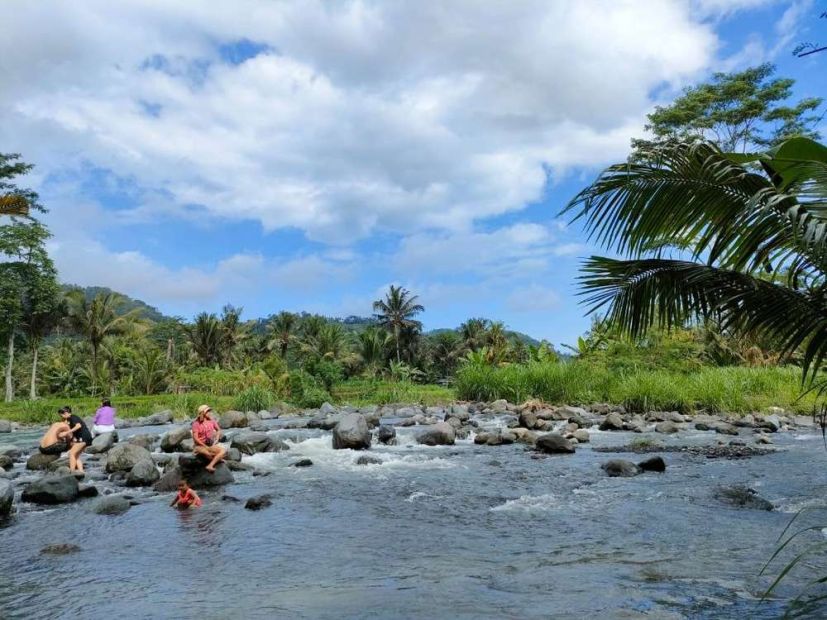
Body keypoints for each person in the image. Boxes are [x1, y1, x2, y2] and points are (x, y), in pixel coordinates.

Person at [191, 404, 226, 473]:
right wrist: (205, 446)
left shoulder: (211, 421)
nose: (209, 413)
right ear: (202, 413)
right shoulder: (196, 424)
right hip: (200, 446)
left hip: (210, 445)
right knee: (209, 455)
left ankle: (210, 465)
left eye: (209, 411)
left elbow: (218, 430)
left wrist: (217, 439)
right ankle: (215, 461)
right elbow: (196, 438)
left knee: (223, 451)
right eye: (207, 411)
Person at [60, 406, 93, 472]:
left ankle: (72, 472)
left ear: (66, 413)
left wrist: (67, 432)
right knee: (76, 455)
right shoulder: (70, 419)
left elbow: (78, 426)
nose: (61, 417)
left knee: (71, 453)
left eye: (61, 415)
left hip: (84, 437)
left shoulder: (73, 417)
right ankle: (81, 472)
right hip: (86, 438)